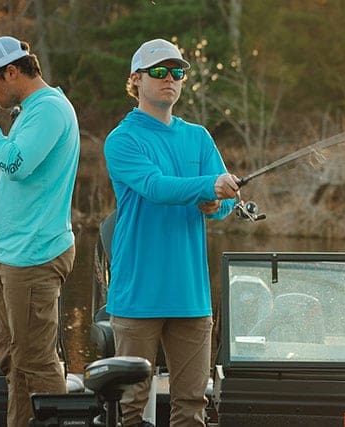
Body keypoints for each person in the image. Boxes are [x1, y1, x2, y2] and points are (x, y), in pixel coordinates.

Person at [103, 38, 239, 427]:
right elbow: (155, 186)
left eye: (177, 72)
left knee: (192, 407)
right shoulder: (122, 140)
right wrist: (207, 187)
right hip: (136, 296)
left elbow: (223, 203)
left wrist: (216, 202)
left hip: (191, 298)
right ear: (136, 79)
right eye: (159, 71)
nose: (170, 79)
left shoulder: (198, 137)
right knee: (129, 410)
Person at [0, 35, 80, 427]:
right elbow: (13, 165)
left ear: (11, 72)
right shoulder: (32, 110)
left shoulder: (49, 110)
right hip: (10, 255)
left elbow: (16, 163)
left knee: (36, 363)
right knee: (12, 358)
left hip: (34, 257)